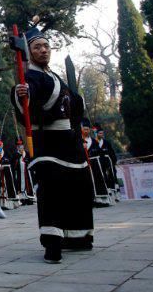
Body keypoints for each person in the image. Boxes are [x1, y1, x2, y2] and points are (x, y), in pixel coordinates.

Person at [12, 27, 94, 264]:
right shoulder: (31, 78)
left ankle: (78, 237)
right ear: (29, 51)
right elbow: (30, 102)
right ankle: (52, 243)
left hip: (70, 141)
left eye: (46, 46)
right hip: (48, 142)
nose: (43, 50)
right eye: (37, 47)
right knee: (52, 192)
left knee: (78, 189)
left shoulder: (56, 77)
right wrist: (22, 95)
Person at [83, 120, 112, 207]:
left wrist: (104, 165)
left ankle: (101, 200)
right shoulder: (79, 141)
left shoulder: (94, 141)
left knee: (99, 181)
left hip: (96, 164)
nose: (86, 131)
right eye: (84, 129)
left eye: (87, 129)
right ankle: (91, 200)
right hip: (86, 165)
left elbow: (101, 154)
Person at [93, 124, 120, 202]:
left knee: (113, 178)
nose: (101, 135)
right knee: (104, 178)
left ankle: (116, 195)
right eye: (100, 133)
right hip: (100, 163)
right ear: (96, 134)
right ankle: (108, 195)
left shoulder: (106, 142)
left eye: (102, 133)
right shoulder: (94, 142)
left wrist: (114, 161)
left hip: (109, 162)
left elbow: (112, 152)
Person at [0, 139, 19, 210]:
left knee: (9, 185)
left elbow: (10, 159)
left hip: (7, 172)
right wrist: (0, 160)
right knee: (1, 186)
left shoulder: (6, 152)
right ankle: (2, 203)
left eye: (0, 145)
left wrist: (5, 159)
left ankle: (10, 203)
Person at [13, 138, 35, 205]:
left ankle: (30, 198)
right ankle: (23, 199)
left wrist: (27, 161)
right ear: (17, 147)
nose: (20, 147)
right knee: (21, 185)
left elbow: (31, 162)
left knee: (28, 184)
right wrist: (18, 159)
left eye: (21, 146)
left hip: (27, 173)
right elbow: (14, 165)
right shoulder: (15, 155)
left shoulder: (27, 153)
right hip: (20, 174)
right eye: (19, 146)